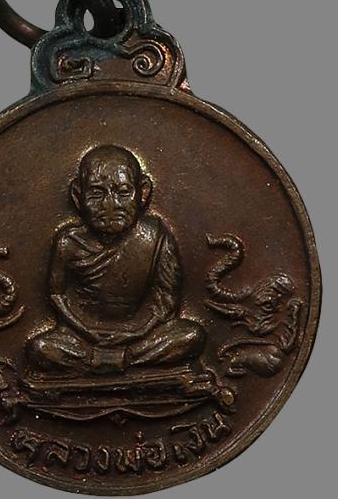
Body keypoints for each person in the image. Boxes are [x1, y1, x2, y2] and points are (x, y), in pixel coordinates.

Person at [27, 145, 205, 375]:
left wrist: (140, 331)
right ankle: (117, 361)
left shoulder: (156, 235)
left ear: (142, 193)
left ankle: (112, 361)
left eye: (122, 193)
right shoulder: (68, 242)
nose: (110, 206)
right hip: (81, 336)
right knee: (41, 348)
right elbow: (56, 295)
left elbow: (167, 298)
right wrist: (84, 330)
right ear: (78, 196)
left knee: (192, 336)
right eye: (96, 194)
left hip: (142, 335)